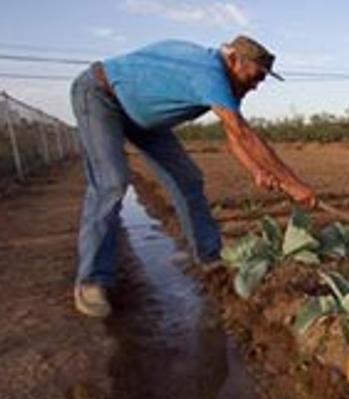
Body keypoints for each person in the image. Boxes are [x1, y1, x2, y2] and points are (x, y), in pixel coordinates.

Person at [70, 35, 316, 318]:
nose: (256, 85)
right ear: (234, 60)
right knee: (111, 182)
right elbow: (242, 132)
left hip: (144, 120)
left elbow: (232, 134)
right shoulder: (210, 73)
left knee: (188, 179)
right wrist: (293, 184)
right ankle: (93, 280)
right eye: (256, 76)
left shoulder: (223, 79)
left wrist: (257, 170)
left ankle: (210, 258)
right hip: (101, 96)